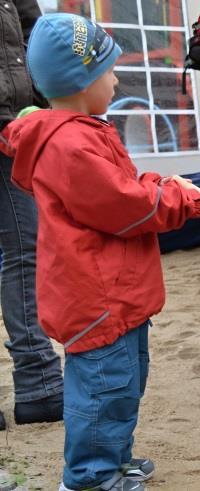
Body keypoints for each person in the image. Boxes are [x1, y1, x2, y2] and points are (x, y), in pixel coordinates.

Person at [0, 13, 200, 491]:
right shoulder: (70, 145)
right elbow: (123, 206)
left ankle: (113, 461)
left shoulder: (84, 131)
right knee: (104, 389)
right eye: (109, 71)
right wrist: (178, 198)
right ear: (82, 82)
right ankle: (89, 477)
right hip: (98, 297)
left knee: (124, 383)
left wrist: (163, 182)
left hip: (116, 292)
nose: (117, 79)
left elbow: (120, 187)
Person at [0, 0, 64, 431]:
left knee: (27, 249)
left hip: (11, 125)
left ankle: (38, 384)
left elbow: (36, 37)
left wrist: (45, 108)